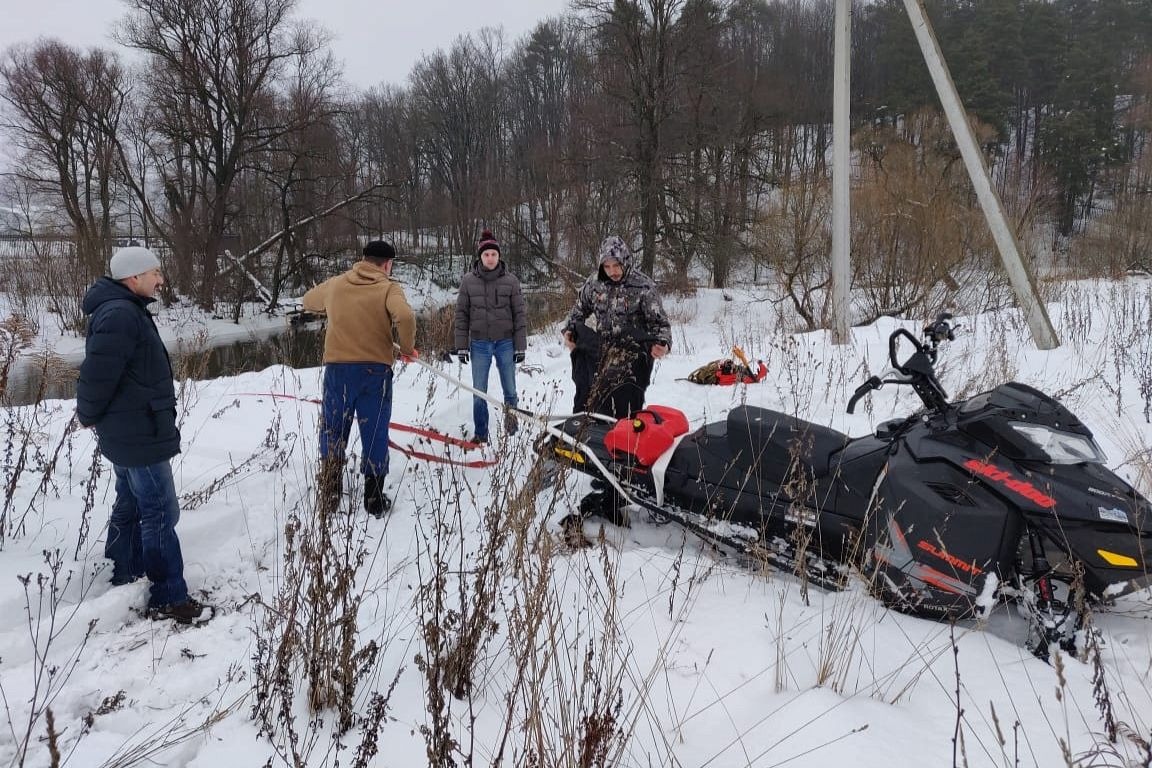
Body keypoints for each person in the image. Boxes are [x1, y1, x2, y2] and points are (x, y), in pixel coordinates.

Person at [76, 246, 206, 624]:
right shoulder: (120, 314)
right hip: (137, 432)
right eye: (155, 273)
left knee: (131, 503)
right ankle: (168, 596)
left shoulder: (124, 309)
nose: (161, 280)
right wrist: (87, 413)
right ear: (134, 278)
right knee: (161, 511)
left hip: (131, 428)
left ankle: (125, 571)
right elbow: (98, 373)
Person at [303, 240, 417, 517]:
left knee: (332, 429)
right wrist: (407, 347)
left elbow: (308, 301)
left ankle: (330, 493)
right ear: (388, 264)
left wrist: (336, 309)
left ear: (363, 259)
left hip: (337, 370)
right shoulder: (389, 287)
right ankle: (374, 498)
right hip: (373, 372)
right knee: (374, 430)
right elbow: (404, 315)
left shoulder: (337, 284)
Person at [562, 235, 671, 418]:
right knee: (594, 402)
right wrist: (569, 330)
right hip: (602, 352)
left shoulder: (643, 286)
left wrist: (663, 344)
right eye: (607, 266)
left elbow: (660, 324)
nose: (612, 271)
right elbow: (578, 311)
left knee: (625, 410)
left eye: (616, 265)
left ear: (625, 260)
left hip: (633, 355)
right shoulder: (594, 283)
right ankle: (592, 437)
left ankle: (626, 441)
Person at [453, 230, 527, 443]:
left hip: (505, 341)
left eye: (494, 254)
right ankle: (481, 433)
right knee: (479, 391)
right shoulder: (468, 281)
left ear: (499, 256)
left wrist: (520, 346)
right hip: (479, 343)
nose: (490, 258)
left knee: (510, 388)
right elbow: (462, 315)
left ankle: (512, 430)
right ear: (480, 257)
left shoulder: (511, 281)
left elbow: (519, 314)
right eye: (486, 255)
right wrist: (461, 346)